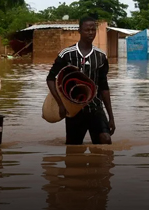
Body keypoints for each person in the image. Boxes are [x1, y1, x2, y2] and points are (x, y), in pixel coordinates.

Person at [46, 16, 115, 145]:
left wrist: (111, 117)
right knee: (73, 149)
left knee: (105, 140)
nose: (90, 33)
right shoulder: (66, 54)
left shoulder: (101, 56)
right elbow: (50, 78)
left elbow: (104, 86)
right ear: (79, 31)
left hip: (95, 109)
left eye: (93, 30)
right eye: (87, 30)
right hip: (74, 111)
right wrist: (60, 104)